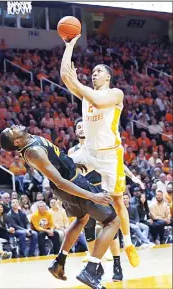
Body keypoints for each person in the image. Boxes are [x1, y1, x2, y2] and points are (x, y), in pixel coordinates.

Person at [0, 125, 120, 289]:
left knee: (81, 219)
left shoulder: (30, 141)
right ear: (17, 141)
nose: (13, 126)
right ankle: (91, 270)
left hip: (70, 181)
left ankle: (59, 262)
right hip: (71, 184)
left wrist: (72, 165)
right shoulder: (33, 151)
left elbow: (55, 160)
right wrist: (92, 195)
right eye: (11, 130)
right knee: (113, 222)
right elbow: (59, 181)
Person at [60, 35, 139, 267]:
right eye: (92, 71)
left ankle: (129, 243)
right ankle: (76, 207)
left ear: (108, 76)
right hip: (88, 151)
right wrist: (69, 46)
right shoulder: (86, 94)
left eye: (98, 71)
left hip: (109, 155)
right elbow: (65, 76)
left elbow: (97, 100)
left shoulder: (115, 94)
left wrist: (78, 84)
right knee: (60, 165)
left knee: (117, 199)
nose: (94, 74)